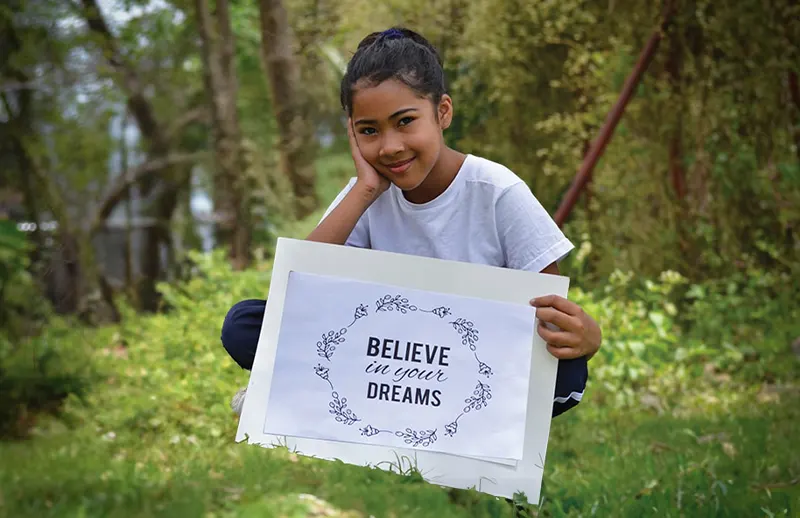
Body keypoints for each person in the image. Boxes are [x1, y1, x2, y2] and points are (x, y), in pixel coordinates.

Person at [221, 27, 602, 419]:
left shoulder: (497, 192)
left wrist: (586, 337)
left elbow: (549, 312)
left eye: (404, 122)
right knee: (245, 324)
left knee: (564, 374)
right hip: (388, 359)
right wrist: (366, 189)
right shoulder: (365, 195)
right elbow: (294, 291)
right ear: (352, 134)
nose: (390, 147)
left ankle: (454, 415)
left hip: (467, 361)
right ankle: (368, 401)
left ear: (442, 113)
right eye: (369, 130)